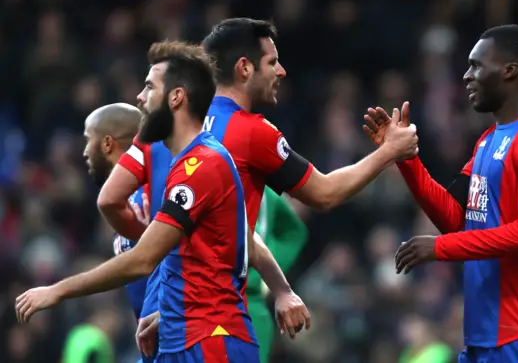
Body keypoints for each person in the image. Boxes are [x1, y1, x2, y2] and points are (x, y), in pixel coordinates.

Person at [16, 41, 260, 362]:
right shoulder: (179, 165)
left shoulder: (203, 165)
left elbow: (144, 259)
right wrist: (169, 313)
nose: (139, 98)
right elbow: (202, 259)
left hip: (213, 341)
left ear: (176, 97)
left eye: (149, 87)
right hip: (183, 335)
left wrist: (57, 291)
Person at [364, 25, 518, 362]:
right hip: (487, 333)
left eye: (477, 66)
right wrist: (405, 159)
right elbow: (456, 218)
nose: (466, 76)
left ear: (510, 71)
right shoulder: (488, 141)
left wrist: (440, 249)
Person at [201, 17, 417, 229]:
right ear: (245, 68)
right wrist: (390, 150)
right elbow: (325, 193)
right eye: (272, 62)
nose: (281, 71)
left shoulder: (184, 123)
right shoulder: (253, 132)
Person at [82, 103, 149, 321]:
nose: (84, 152)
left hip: (179, 337)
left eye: (88, 140)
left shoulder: (149, 193)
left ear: (107, 143)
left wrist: (58, 291)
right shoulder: (123, 199)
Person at [248, 187, 308, 363]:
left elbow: (293, 232)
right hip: (194, 302)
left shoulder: (264, 193)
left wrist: (266, 275)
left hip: (249, 305)